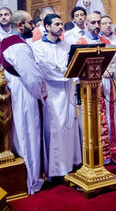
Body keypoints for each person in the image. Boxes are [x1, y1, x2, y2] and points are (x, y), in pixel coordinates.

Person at [0, 10, 47, 195]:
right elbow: (31, 77)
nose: (33, 26)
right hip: (24, 93)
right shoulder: (19, 46)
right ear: (20, 25)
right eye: (30, 23)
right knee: (28, 134)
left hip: (16, 89)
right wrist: (42, 94)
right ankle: (32, 180)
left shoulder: (7, 41)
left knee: (21, 133)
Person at [32, 14, 81, 179]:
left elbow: (73, 63)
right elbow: (46, 68)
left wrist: (68, 72)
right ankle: (56, 169)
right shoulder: (37, 46)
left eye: (61, 24)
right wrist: (67, 72)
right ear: (47, 27)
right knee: (56, 128)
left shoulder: (66, 45)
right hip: (52, 92)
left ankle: (70, 164)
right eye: (57, 24)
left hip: (67, 89)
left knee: (70, 126)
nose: (61, 27)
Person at [76, 12, 116, 164]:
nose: (96, 26)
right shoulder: (80, 42)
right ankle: (92, 158)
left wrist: (112, 72)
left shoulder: (106, 41)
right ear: (86, 25)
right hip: (89, 90)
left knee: (107, 119)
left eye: (98, 23)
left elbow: (115, 63)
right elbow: (76, 68)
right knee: (91, 122)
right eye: (93, 23)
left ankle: (107, 155)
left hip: (106, 87)